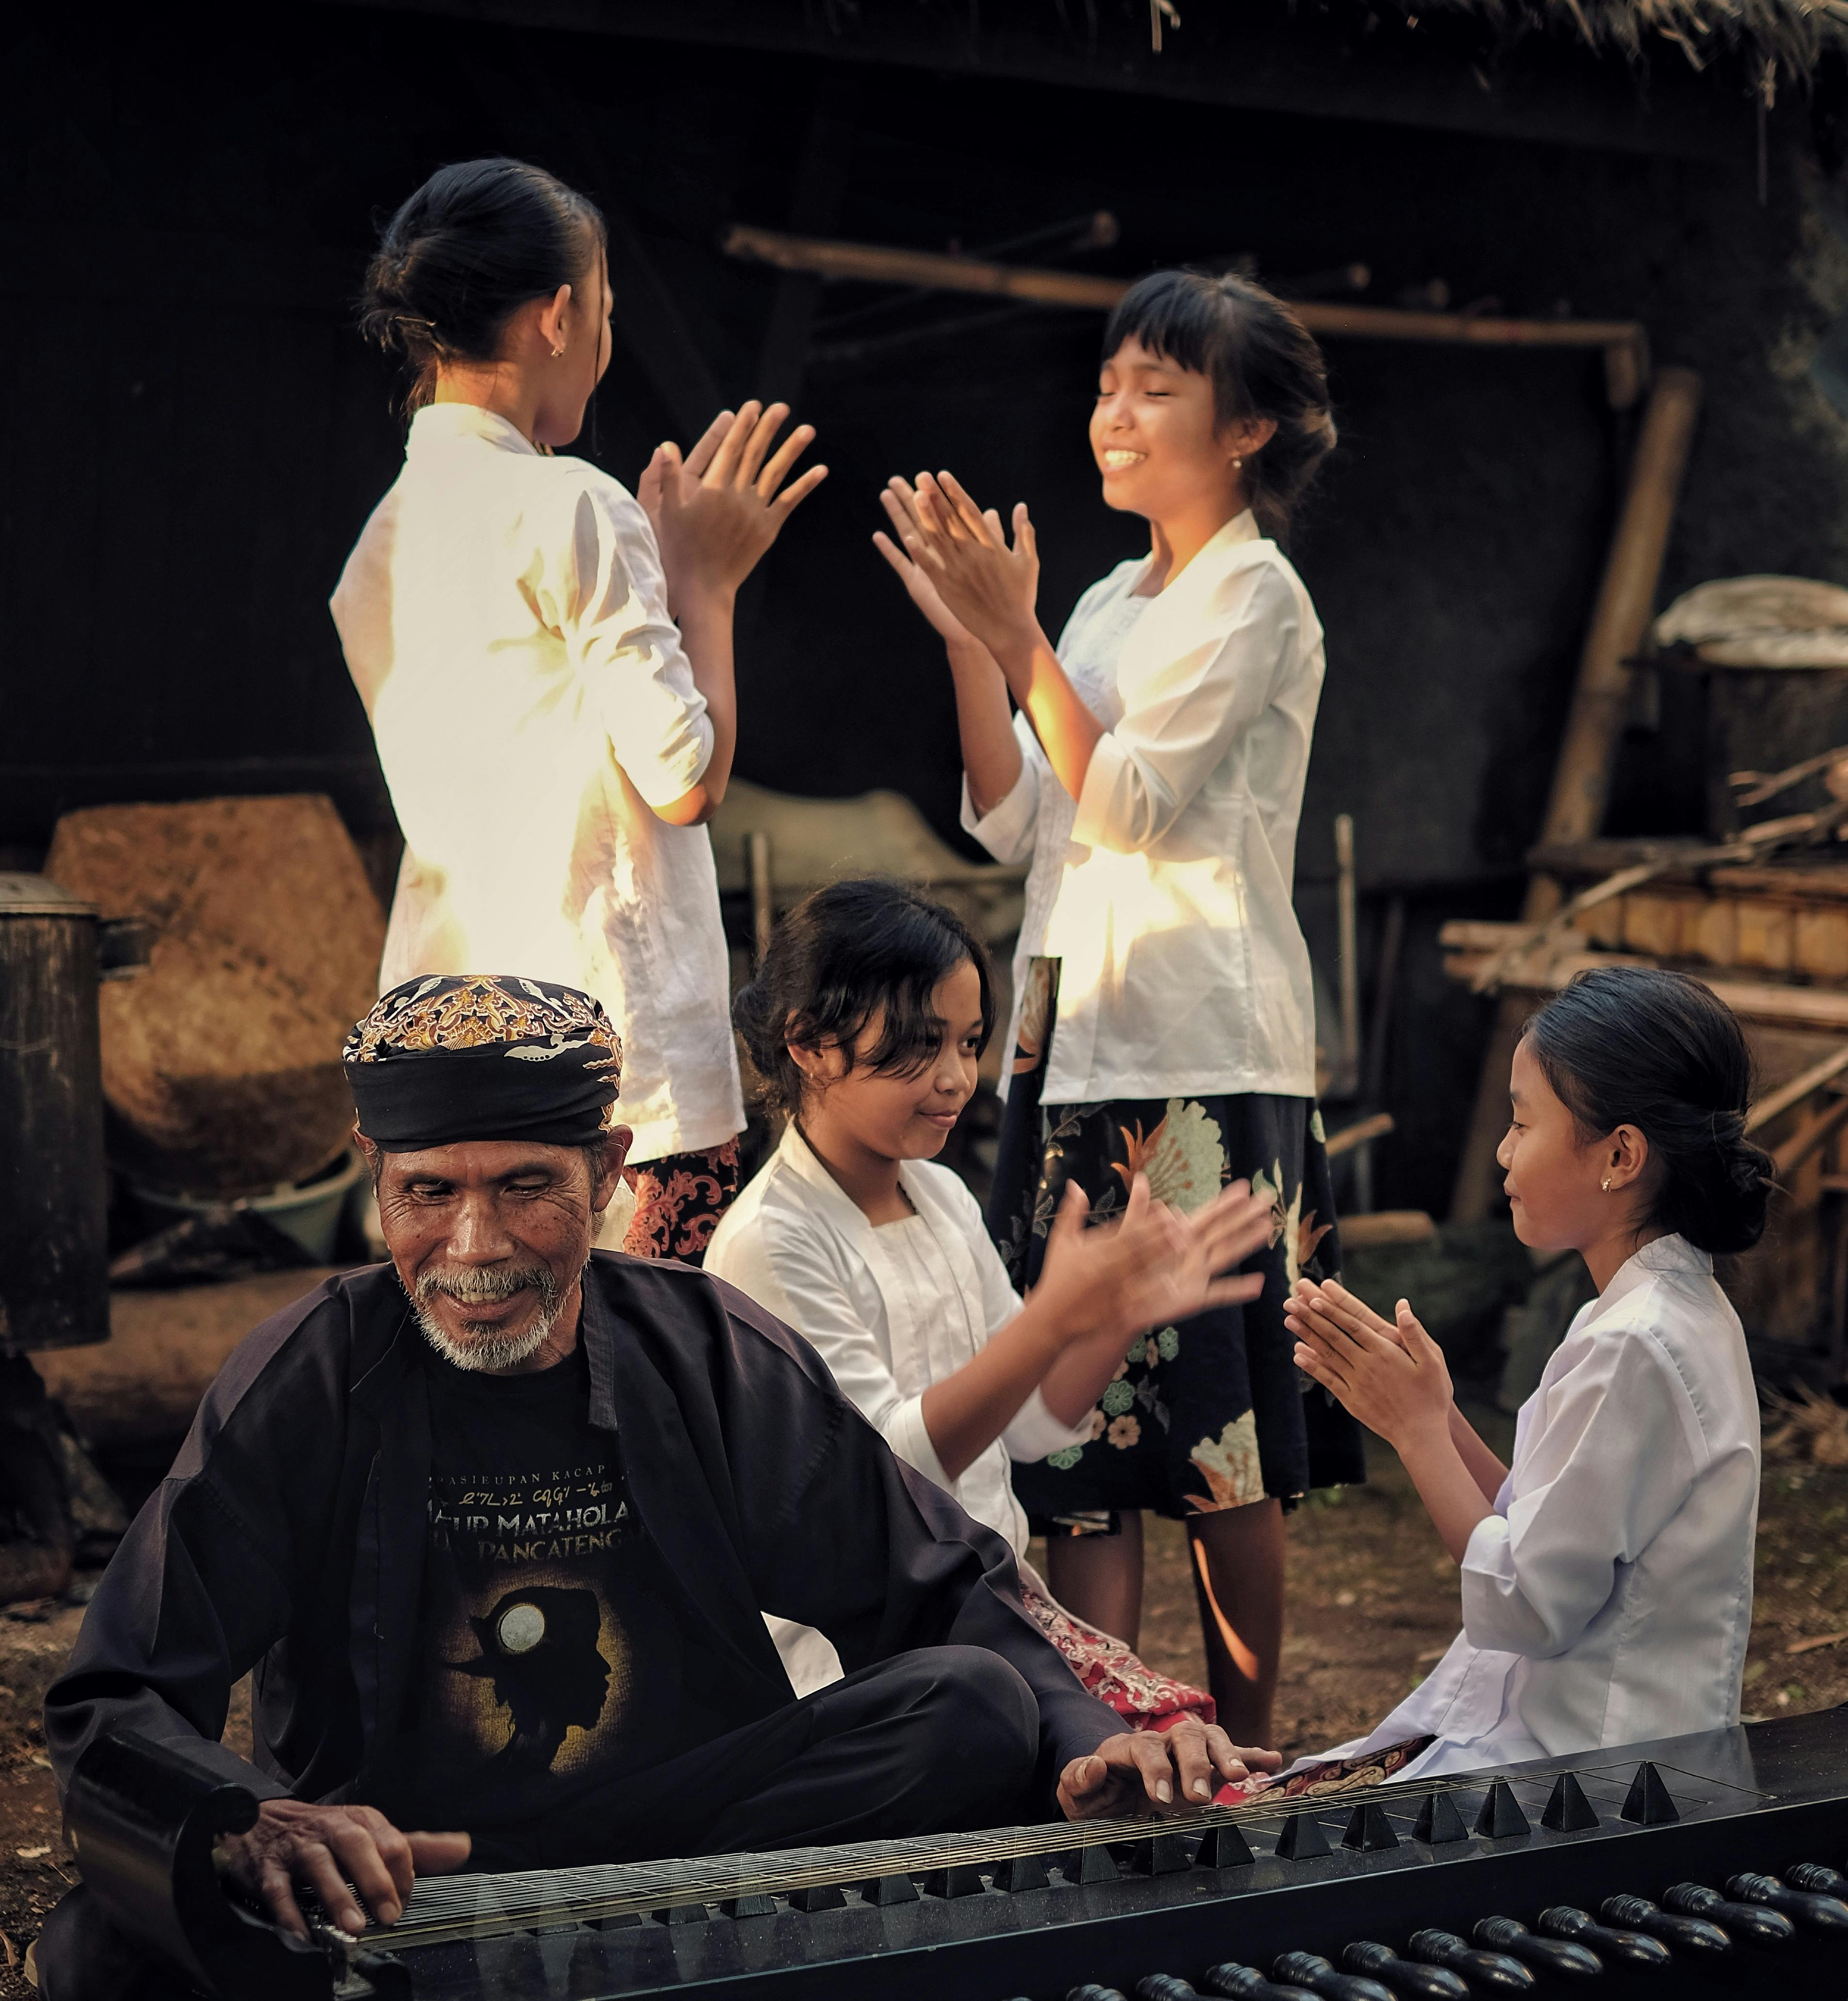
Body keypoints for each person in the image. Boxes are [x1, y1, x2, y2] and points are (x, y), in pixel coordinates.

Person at [37, 974, 1259, 2001]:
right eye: (428, 1194)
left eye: (526, 1187)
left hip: (692, 1866)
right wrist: (248, 1819)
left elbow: (938, 1590)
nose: (475, 1247)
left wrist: (1097, 1737)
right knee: (102, 1954)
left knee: (978, 1711)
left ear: (611, 1172)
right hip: (410, 1893)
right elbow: (117, 1696)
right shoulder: (307, 1378)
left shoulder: (709, 1353)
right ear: (374, 1180)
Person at [874, 266, 1362, 1746]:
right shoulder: (1100, 597)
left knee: (1216, 1435)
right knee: (1074, 1435)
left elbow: (1134, 800)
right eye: (1106, 383)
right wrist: (977, 637)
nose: (1115, 412)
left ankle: (1246, 1732)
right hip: (1069, 1044)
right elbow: (1017, 819)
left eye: (1157, 387)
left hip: (1200, 1052)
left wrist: (1017, 636)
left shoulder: (1255, 596)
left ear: (1247, 428)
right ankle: (1111, 1730)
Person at [333, 156, 825, 1261]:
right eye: (604, 309)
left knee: (490, 1390)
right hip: (606, 1057)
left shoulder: (382, 541)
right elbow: (684, 778)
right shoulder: (569, 506)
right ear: (558, 317)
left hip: (449, 1038)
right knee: (640, 1395)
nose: (602, 338)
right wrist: (705, 582)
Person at [706, 878, 1281, 1741]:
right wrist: (1055, 1316)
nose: (956, 1078)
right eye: (920, 1043)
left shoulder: (940, 1195)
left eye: (970, 1042)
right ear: (812, 1045)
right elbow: (891, 1474)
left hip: (994, 1615)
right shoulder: (770, 1241)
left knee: (1183, 1764)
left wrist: (1114, 1320)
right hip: (869, 1662)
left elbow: (1032, 1429)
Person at [1281, 968, 1771, 1786]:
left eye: (1520, 1122)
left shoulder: (1636, 1344)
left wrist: (1416, 1435)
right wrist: (1438, 1413)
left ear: (1620, 1155)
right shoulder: (1657, 1312)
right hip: (1593, 1754)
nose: (1504, 1150)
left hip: (1593, 1785)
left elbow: (1526, 1602)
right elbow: (1542, 1524)